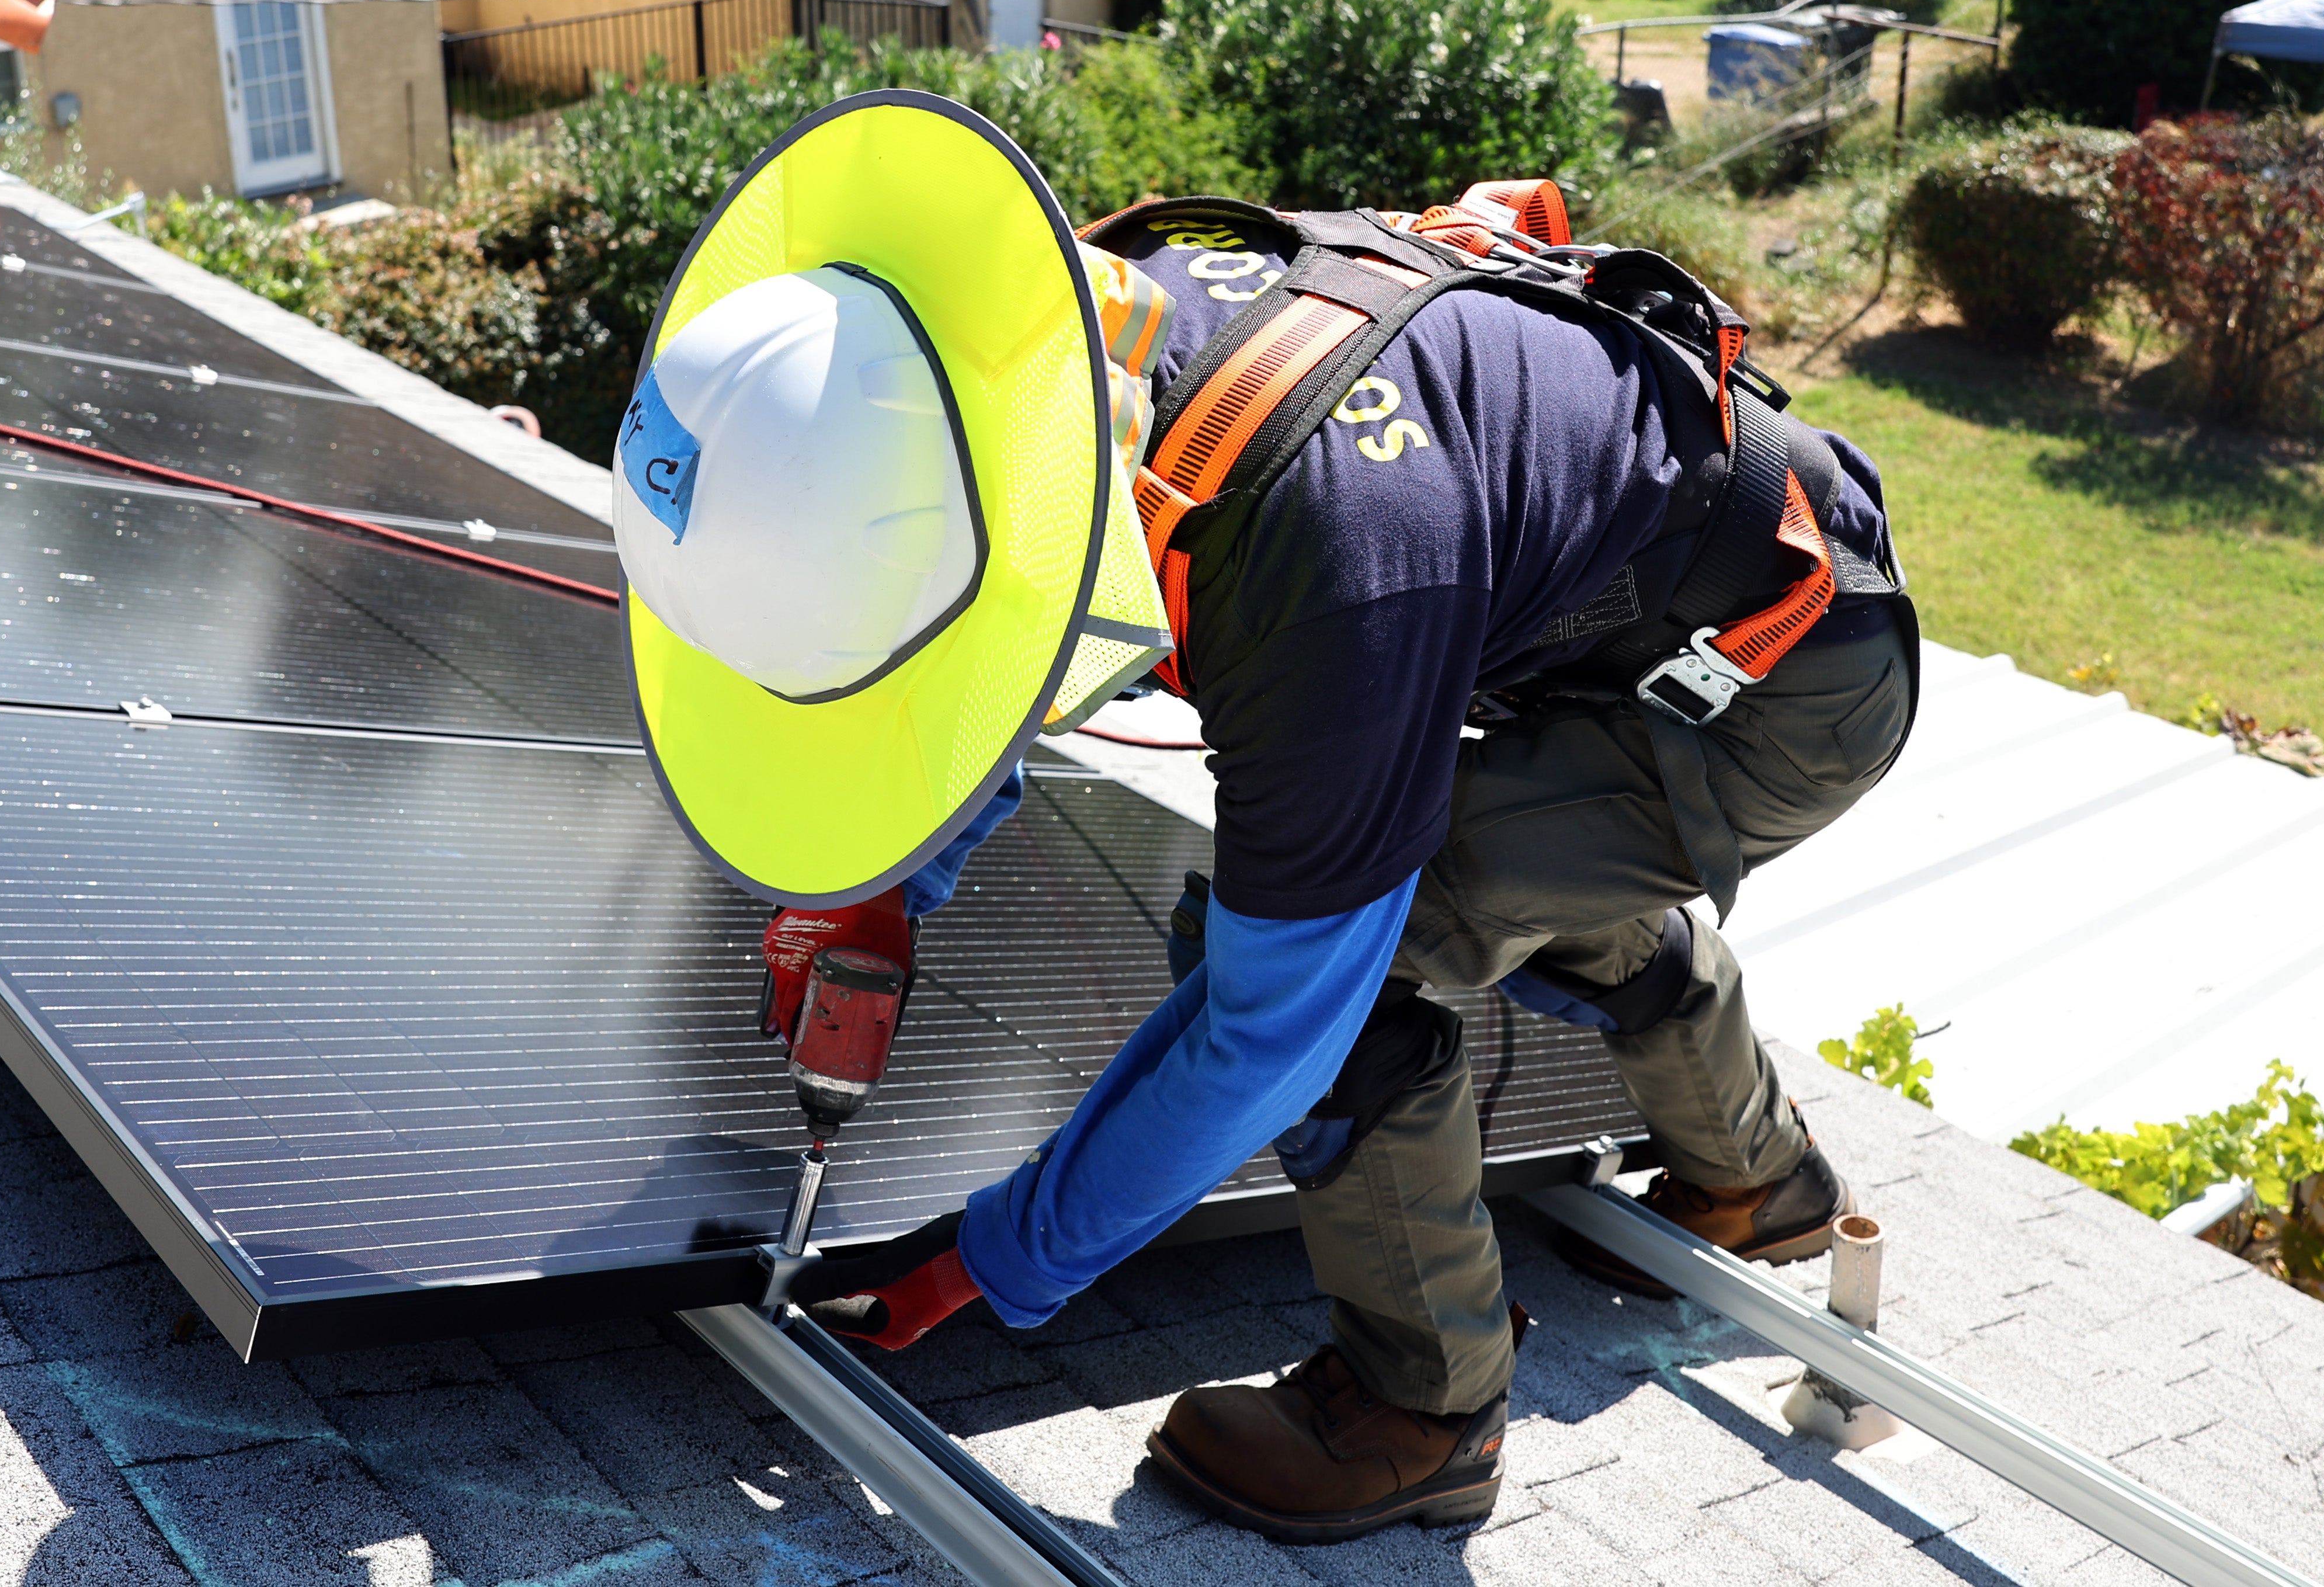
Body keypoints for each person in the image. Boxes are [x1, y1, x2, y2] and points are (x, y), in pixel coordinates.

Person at [614, 91, 1916, 1545]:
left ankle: (1427, 1411)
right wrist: (880, 887)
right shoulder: (1058, 336)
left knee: (1353, 969)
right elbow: (993, 621)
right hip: (1640, 603)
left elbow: (1264, 1041)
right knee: (1498, 862)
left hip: (1775, 688)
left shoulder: (1324, 584)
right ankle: (1762, 1178)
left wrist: (999, 1257)